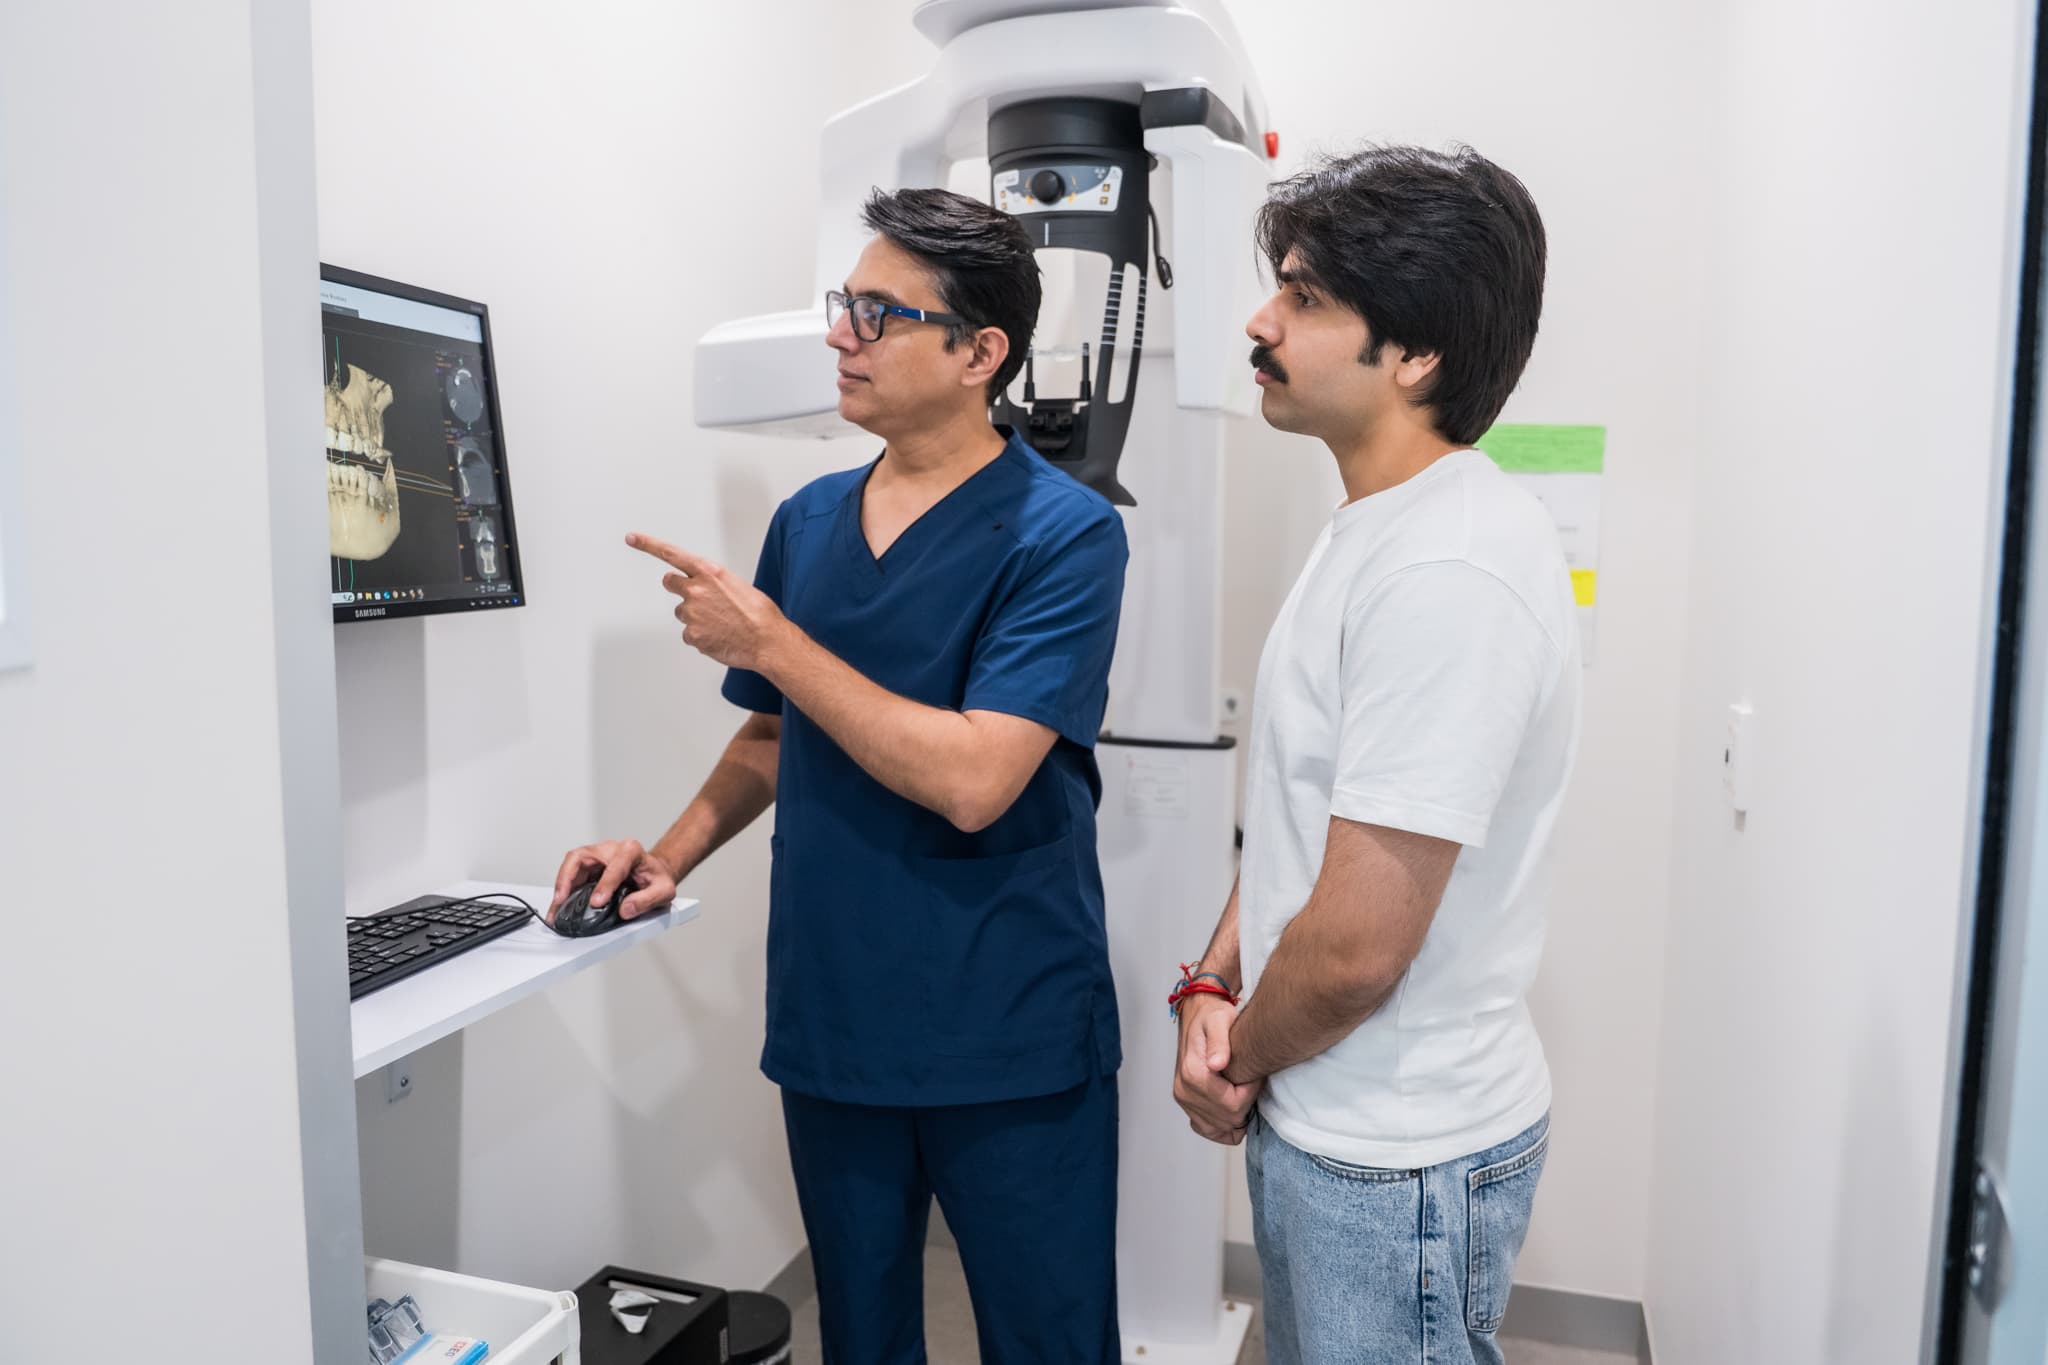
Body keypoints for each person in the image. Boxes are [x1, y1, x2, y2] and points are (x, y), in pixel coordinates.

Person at [552, 186, 1129, 1364]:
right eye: (842, 304)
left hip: (1003, 1020)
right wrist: (663, 857)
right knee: (859, 1335)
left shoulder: (1064, 533)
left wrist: (772, 642)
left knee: (1049, 1339)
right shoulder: (809, 522)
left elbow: (976, 779)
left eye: (878, 313)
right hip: (836, 1014)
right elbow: (774, 735)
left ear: (979, 354)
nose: (838, 335)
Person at [1170, 144, 1577, 1365]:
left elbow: (1354, 949)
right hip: (1329, 1116)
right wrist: (1208, 984)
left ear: (1414, 355)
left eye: (1302, 298)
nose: (1260, 321)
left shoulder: (1448, 567)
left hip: (1395, 1162)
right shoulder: (1373, 527)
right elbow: (1302, 820)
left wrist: (1232, 1060)